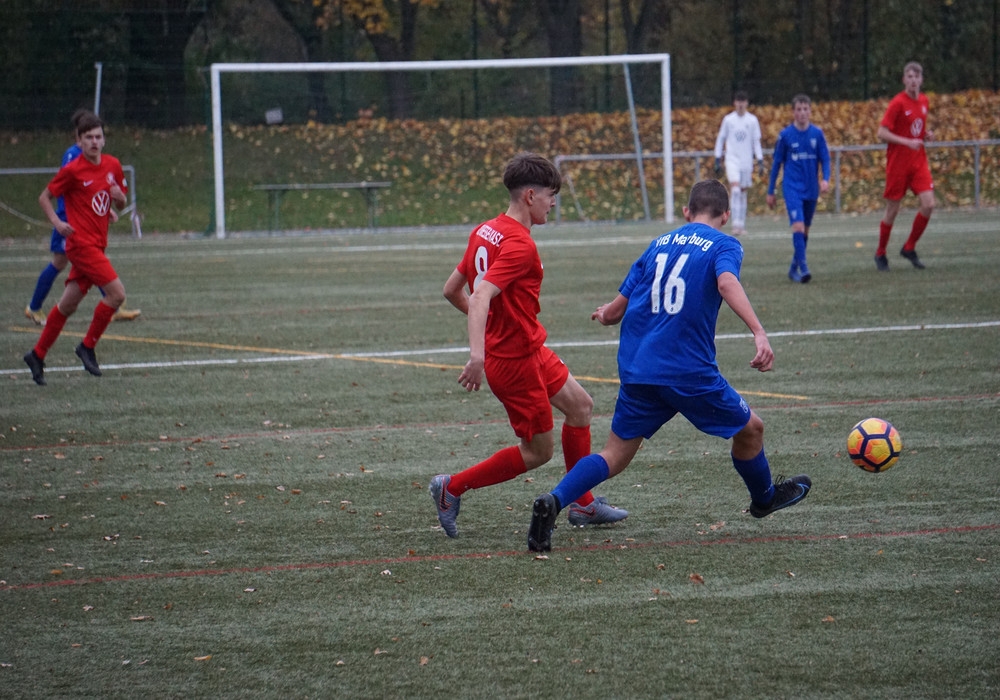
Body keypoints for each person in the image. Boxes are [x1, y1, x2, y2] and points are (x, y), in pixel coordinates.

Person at [527, 180, 811, 552]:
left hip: (639, 368)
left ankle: (553, 500)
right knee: (751, 429)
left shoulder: (658, 243)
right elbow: (727, 283)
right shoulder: (725, 244)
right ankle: (764, 499)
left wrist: (603, 313)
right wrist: (759, 332)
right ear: (726, 215)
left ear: (687, 212)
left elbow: (613, 312)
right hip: (687, 371)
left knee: (613, 455)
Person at [430, 152, 628, 538]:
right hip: (513, 362)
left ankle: (583, 503)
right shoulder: (520, 244)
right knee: (538, 451)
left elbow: (452, 290)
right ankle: (451, 487)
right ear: (530, 195)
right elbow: (481, 295)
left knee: (581, 406)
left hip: (530, 349)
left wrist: (491, 326)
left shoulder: (484, 230)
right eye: (551, 196)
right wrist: (478, 354)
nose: (553, 203)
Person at [23, 112, 130, 385]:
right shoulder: (73, 170)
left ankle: (37, 354)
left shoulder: (113, 165)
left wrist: (118, 200)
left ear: (104, 140)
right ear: (79, 141)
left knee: (67, 305)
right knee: (117, 294)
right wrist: (58, 222)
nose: (94, 141)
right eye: (88, 137)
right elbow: (45, 197)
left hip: (98, 244)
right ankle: (87, 346)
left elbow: (115, 202)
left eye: (98, 137)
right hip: (81, 246)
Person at [874, 62, 935, 271]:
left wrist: (925, 135)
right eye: (909, 76)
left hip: (918, 163)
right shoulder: (897, 103)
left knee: (929, 204)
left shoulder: (924, 101)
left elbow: (916, 130)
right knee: (892, 210)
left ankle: (909, 247)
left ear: (921, 80)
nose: (913, 80)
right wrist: (906, 142)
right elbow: (881, 133)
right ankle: (880, 253)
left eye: (917, 76)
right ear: (904, 80)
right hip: (898, 164)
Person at [767, 94, 831, 284]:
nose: (802, 113)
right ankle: (804, 268)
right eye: (799, 109)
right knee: (798, 226)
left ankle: (793, 268)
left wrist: (825, 179)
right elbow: (776, 164)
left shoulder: (817, 134)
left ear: (810, 111)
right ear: (793, 112)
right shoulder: (785, 135)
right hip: (792, 187)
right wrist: (770, 191)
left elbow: (825, 159)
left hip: (811, 188)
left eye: (805, 109)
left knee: (805, 231)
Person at [713, 90, 764, 236]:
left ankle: (741, 224)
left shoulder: (752, 121)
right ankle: (735, 224)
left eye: (743, 102)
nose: (740, 104)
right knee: (735, 190)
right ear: (734, 103)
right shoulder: (728, 120)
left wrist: (760, 160)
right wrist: (717, 158)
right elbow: (721, 139)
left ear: (746, 103)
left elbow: (756, 142)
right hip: (732, 160)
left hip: (746, 161)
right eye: (738, 101)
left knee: (742, 192)